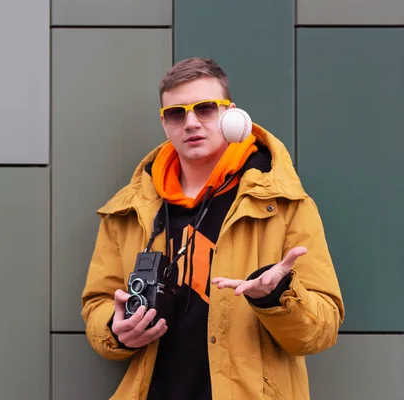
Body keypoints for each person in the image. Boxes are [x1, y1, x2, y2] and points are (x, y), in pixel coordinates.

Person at [80, 57, 345, 400]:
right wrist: (116, 330)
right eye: (177, 114)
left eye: (205, 109)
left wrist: (276, 297)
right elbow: (98, 303)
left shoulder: (284, 204)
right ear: (165, 124)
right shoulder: (128, 211)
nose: (191, 123)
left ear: (230, 114)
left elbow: (321, 330)